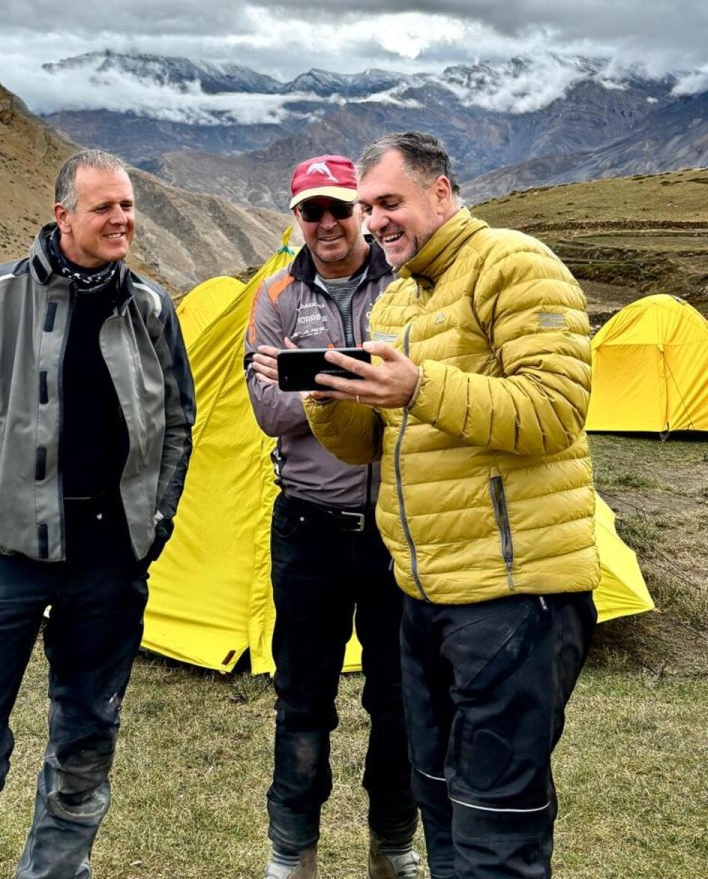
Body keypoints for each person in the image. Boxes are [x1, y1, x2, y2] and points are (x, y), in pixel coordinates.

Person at [303, 132, 600, 879]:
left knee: (496, 819)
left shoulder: (516, 264)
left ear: (442, 192)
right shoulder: (400, 295)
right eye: (367, 207)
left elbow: (553, 411)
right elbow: (365, 446)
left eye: (389, 203)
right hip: (424, 597)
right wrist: (326, 393)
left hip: (513, 597)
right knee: (439, 801)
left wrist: (419, 387)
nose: (373, 223)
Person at [0, 148, 195, 879]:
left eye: (127, 205)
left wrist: (156, 519)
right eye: (104, 207)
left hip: (109, 563)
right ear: (62, 215)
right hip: (3, 558)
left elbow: (180, 421)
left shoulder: (151, 308)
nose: (122, 218)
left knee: (86, 742)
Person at [245, 154, 422, 879]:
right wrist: (362, 381)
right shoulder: (278, 294)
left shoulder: (406, 286)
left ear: (361, 212)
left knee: (400, 699)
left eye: (339, 209)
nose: (326, 224)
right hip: (308, 530)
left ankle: (393, 843)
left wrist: (309, 372)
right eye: (310, 211)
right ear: (297, 219)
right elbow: (267, 411)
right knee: (302, 700)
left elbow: (415, 393)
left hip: (395, 529)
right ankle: (293, 853)